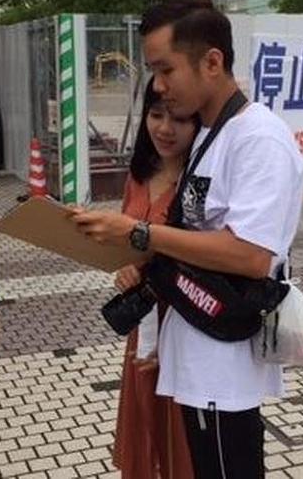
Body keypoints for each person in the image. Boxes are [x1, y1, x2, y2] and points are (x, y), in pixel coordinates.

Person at [72, 0, 303, 478]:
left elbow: (251, 255)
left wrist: (141, 234)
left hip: (225, 361)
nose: (158, 85)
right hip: (199, 355)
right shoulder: (210, 136)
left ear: (212, 62)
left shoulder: (258, 139)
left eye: (166, 70)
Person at [112, 78, 198, 479]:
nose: (164, 128)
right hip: (143, 324)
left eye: (178, 119)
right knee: (144, 423)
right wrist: (123, 266)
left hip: (184, 324)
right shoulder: (138, 174)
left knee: (179, 434)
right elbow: (124, 243)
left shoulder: (199, 182)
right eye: (156, 114)